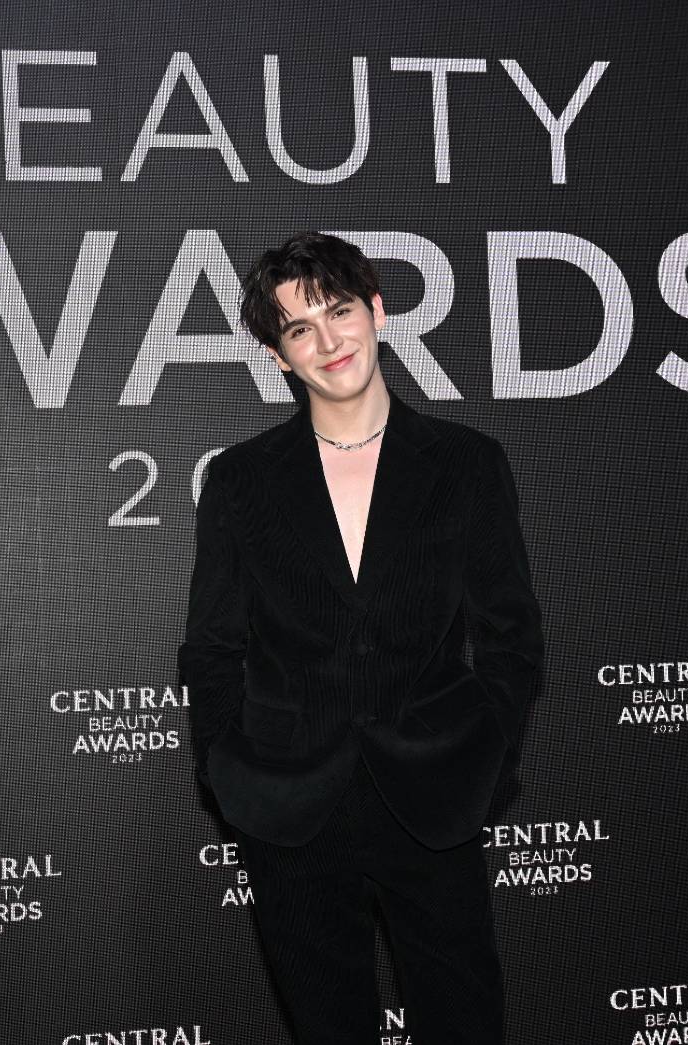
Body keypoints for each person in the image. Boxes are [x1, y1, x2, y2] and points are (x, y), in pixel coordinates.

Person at [177, 231, 544, 1044]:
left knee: (465, 1024)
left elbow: (511, 636)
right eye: (298, 328)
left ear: (376, 311)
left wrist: (482, 759)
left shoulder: (466, 462)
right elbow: (211, 646)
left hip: (432, 795)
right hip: (289, 808)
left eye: (338, 311)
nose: (327, 341)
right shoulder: (240, 479)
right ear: (276, 354)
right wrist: (227, 773)